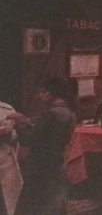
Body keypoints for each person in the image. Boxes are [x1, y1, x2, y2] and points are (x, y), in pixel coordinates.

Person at [9, 78, 76, 215]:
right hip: (57, 163)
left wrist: (20, 121)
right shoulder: (69, 113)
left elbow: (29, 138)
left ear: (50, 94)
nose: (39, 96)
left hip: (41, 165)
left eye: (42, 92)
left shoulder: (50, 114)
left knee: (36, 204)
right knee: (55, 202)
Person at [0, 101, 22, 215]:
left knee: (8, 203)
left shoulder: (6, 109)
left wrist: (10, 134)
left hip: (5, 160)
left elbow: (15, 137)